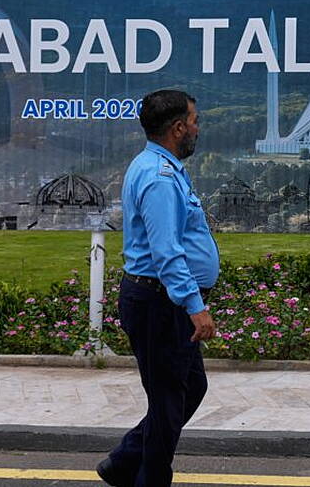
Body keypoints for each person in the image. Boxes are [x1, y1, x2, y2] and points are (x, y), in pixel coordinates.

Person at [97, 89, 219, 487]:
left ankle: (123, 462)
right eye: (195, 121)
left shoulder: (160, 167)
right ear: (178, 128)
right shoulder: (159, 178)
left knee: (190, 387)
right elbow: (166, 252)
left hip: (161, 299)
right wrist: (194, 306)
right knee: (168, 401)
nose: (198, 129)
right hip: (160, 301)